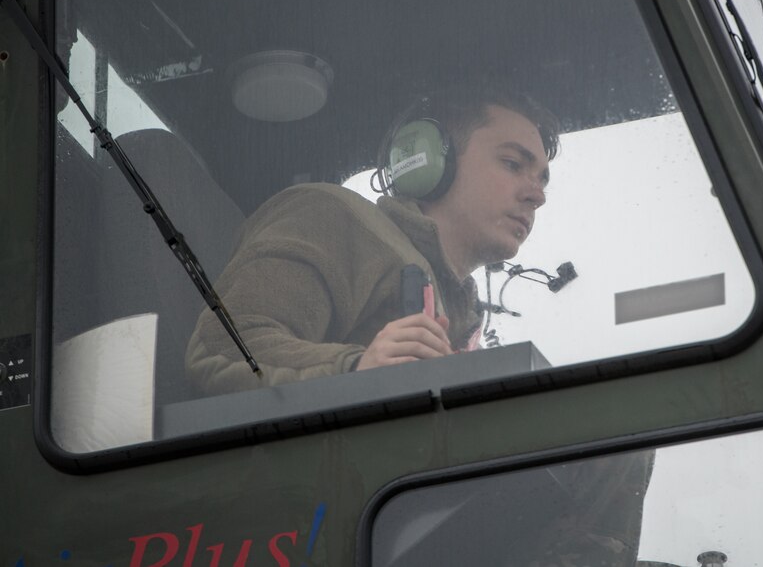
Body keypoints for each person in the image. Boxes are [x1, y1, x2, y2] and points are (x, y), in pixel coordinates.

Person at [185, 88, 559, 394]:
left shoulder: (464, 313)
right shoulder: (335, 218)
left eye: (542, 179)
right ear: (429, 160)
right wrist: (358, 370)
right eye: (513, 164)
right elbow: (225, 346)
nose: (537, 195)